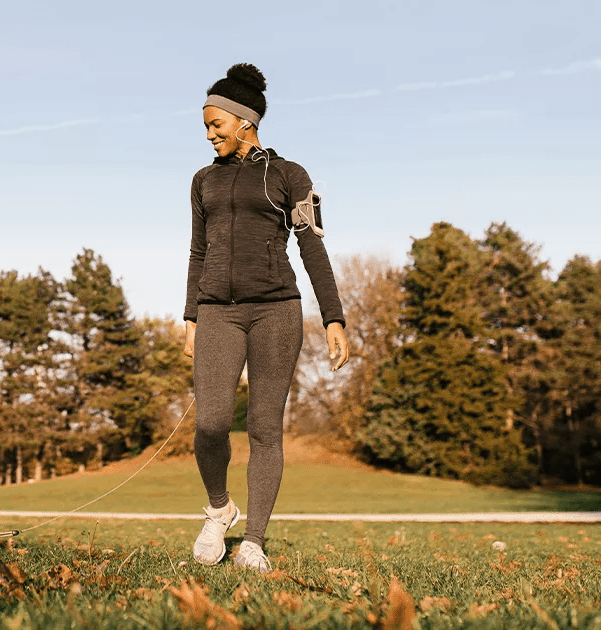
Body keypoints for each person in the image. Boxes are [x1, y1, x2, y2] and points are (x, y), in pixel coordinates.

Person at [182, 63, 349, 572]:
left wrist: (334, 317)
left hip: (277, 311)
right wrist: (191, 316)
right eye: (206, 127)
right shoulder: (203, 181)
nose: (210, 134)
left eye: (217, 125)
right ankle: (219, 509)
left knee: (264, 428)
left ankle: (253, 539)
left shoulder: (288, 176)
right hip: (217, 312)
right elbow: (196, 252)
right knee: (209, 424)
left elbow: (313, 250)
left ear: (244, 123)